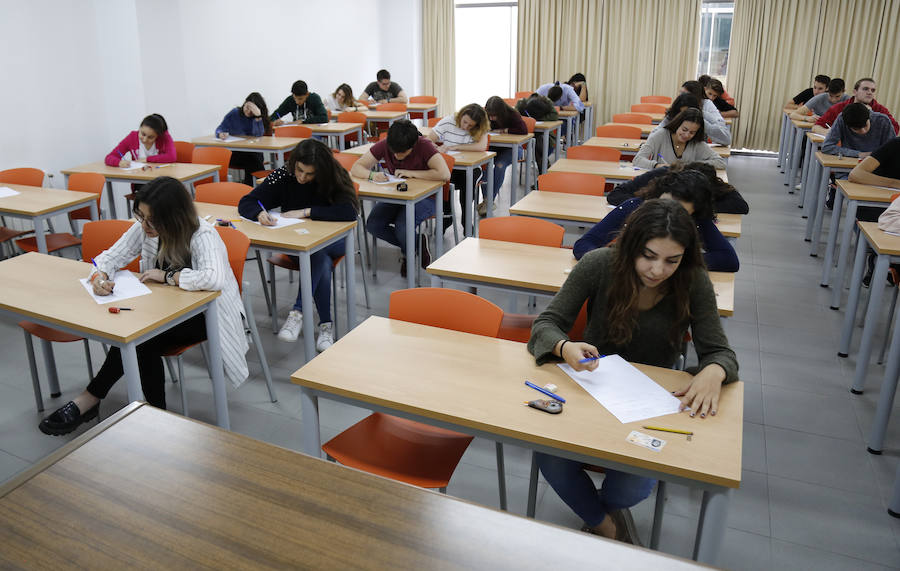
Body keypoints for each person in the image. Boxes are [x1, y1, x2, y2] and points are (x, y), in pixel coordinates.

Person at [528, 199, 738, 543]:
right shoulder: (599, 264)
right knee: (549, 457)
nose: (658, 270)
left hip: (648, 404)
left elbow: (720, 352)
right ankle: (606, 525)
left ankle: (601, 513)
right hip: (590, 392)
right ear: (630, 246)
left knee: (635, 485)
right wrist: (565, 347)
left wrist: (713, 370)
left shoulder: (693, 281)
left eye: (672, 260)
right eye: (648, 256)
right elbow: (547, 324)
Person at [38, 177, 249, 435]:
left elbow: (212, 278)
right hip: (163, 310)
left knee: (142, 340)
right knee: (141, 338)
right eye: (141, 217)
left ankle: (95, 400)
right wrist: (99, 277)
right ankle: (152, 415)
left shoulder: (202, 234)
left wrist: (168, 277)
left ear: (174, 216)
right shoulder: (145, 228)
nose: (145, 226)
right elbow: (108, 256)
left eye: (152, 220)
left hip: (208, 314)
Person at [238, 139, 359, 347]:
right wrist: (259, 213)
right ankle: (325, 326)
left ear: (320, 171)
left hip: (336, 240)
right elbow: (247, 201)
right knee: (319, 260)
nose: (302, 177)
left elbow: (349, 212)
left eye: (309, 174)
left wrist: (307, 212)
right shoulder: (284, 175)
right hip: (302, 243)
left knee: (318, 255)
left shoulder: (334, 175)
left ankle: (298, 312)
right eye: (299, 170)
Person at [574, 169, 739, 272]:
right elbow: (584, 244)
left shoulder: (698, 220)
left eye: (680, 212)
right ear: (661, 193)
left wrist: (676, 263)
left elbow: (729, 260)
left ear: (693, 213)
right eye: (665, 203)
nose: (668, 212)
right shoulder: (634, 206)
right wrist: (616, 261)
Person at [351, 119, 450, 277]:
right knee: (374, 224)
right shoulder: (386, 144)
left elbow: (444, 174)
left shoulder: (424, 145)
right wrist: (372, 174)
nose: (397, 156)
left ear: (413, 145)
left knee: (403, 226)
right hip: (398, 195)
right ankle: (416, 245)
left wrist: (412, 173)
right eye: (394, 151)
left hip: (427, 198)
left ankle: (408, 254)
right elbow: (357, 167)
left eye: (402, 153)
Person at [427, 103, 490, 227]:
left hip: (471, 168)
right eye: (464, 121)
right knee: (444, 179)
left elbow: (481, 146)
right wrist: (436, 148)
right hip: (450, 167)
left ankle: (466, 220)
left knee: (468, 182)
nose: (465, 126)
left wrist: (455, 147)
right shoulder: (449, 121)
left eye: (470, 125)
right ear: (461, 115)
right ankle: (447, 215)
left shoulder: (481, 127)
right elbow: (429, 140)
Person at [606, 161, 749, 215]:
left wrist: (696, 207)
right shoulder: (664, 174)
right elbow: (615, 195)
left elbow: (741, 206)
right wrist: (654, 204)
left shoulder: (712, 184)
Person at [634, 108, 727, 170]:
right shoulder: (661, 135)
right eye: (684, 129)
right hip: (660, 183)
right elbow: (638, 159)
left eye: (692, 132)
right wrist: (657, 166)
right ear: (677, 124)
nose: (686, 135)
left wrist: (691, 165)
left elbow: (721, 162)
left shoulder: (696, 143)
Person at [215, 92, 272, 185]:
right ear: (244, 103)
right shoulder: (234, 113)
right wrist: (220, 133)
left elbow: (258, 135)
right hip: (235, 154)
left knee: (252, 159)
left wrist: (258, 117)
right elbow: (220, 128)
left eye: (252, 110)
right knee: (253, 161)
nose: (249, 112)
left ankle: (252, 189)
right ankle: (259, 188)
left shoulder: (258, 118)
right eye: (247, 107)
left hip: (254, 153)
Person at [814, 77, 899, 135]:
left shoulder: (880, 110)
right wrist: (827, 132)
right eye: (865, 89)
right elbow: (816, 127)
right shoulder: (839, 108)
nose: (870, 92)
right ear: (855, 92)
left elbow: (895, 129)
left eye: (873, 90)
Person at [485, 95, 529, 200]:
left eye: (494, 115)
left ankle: (489, 200)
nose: (491, 118)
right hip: (493, 148)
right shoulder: (485, 115)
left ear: (501, 112)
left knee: (500, 166)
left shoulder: (512, 114)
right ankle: (487, 199)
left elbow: (523, 130)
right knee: (483, 168)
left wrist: (504, 130)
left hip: (511, 149)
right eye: (489, 115)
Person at [822, 103, 896, 159]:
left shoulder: (883, 121)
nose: (863, 131)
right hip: (848, 168)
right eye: (856, 129)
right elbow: (827, 147)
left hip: (876, 167)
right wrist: (858, 154)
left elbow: (893, 150)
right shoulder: (841, 119)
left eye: (865, 125)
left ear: (869, 117)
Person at [104, 114, 176, 167]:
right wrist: (119, 163)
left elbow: (171, 157)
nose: (144, 140)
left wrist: (147, 159)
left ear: (158, 136)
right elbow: (109, 157)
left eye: (150, 137)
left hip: (160, 178)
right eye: (143, 134)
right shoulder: (132, 137)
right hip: (140, 180)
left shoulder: (164, 138)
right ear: (140, 128)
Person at [679, 81, 731, 146]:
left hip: (697, 149)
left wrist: (699, 118)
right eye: (680, 93)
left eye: (684, 95)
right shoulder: (678, 107)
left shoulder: (706, 105)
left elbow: (726, 139)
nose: (681, 98)